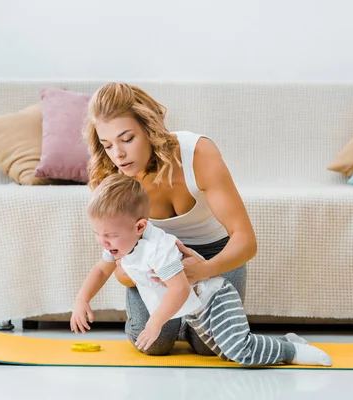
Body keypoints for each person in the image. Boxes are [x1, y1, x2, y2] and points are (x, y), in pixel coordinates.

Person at [70, 174, 332, 367]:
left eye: (109, 236)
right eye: (97, 234)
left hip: (213, 299)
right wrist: (82, 299)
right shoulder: (119, 242)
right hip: (194, 310)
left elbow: (180, 288)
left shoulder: (157, 248)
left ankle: (293, 351)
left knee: (240, 351)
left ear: (139, 227)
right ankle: (288, 343)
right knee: (227, 351)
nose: (103, 243)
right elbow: (101, 270)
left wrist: (154, 323)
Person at [82, 82, 256, 355]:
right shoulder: (109, 174)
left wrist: (203, 270)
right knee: (153, 343)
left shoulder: (197, 153)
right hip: (152, 261)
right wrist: (137, 272)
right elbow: (116, 263)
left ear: (149, 129)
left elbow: (245, 241)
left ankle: (189, 323)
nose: (118, 154)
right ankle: (177, 322)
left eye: (127, 139)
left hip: (212, 254)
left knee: (212, 347)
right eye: (107, 145)